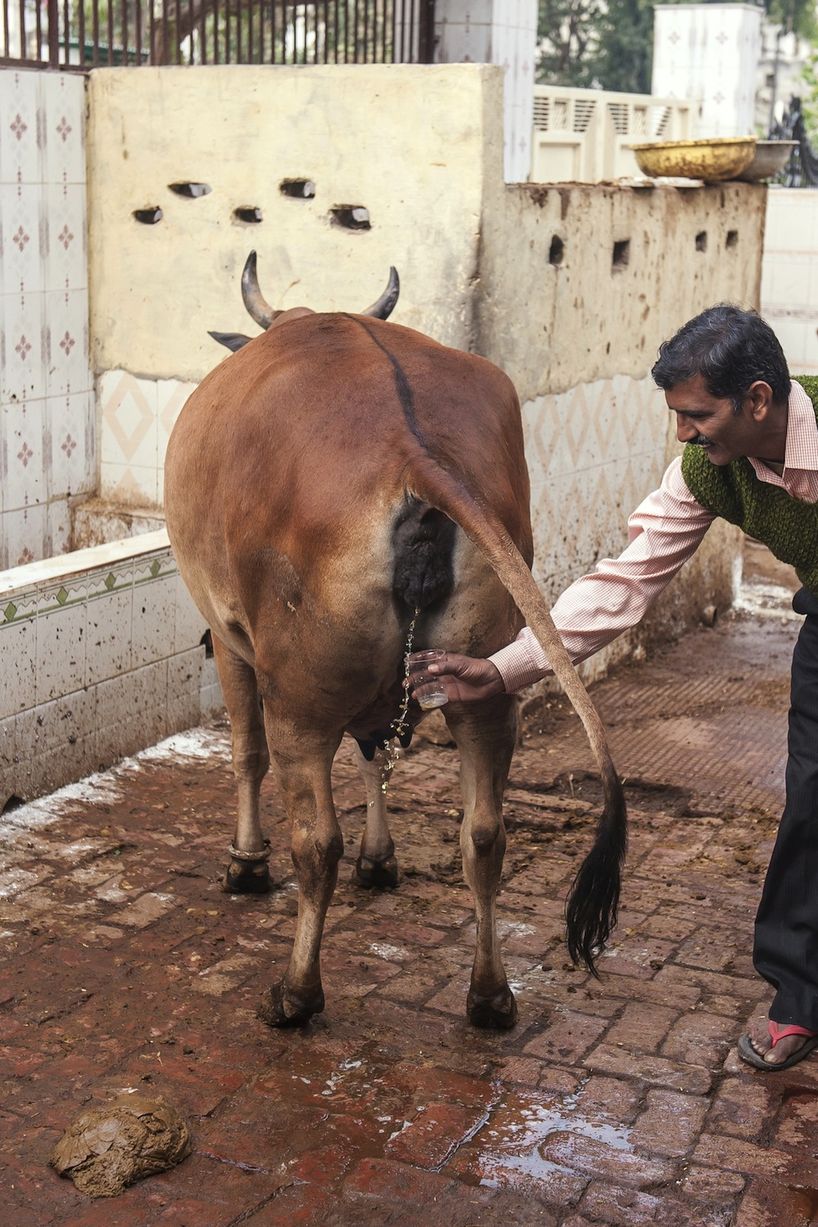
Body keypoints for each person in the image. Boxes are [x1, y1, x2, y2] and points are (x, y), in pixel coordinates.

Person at [409, 304, 818, 1073]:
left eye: (697, 415)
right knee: (812, 800)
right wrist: (503, 669)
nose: (684, 434)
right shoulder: (707, 472)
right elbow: (625, 583)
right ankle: (799, 999)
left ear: (758, 401)